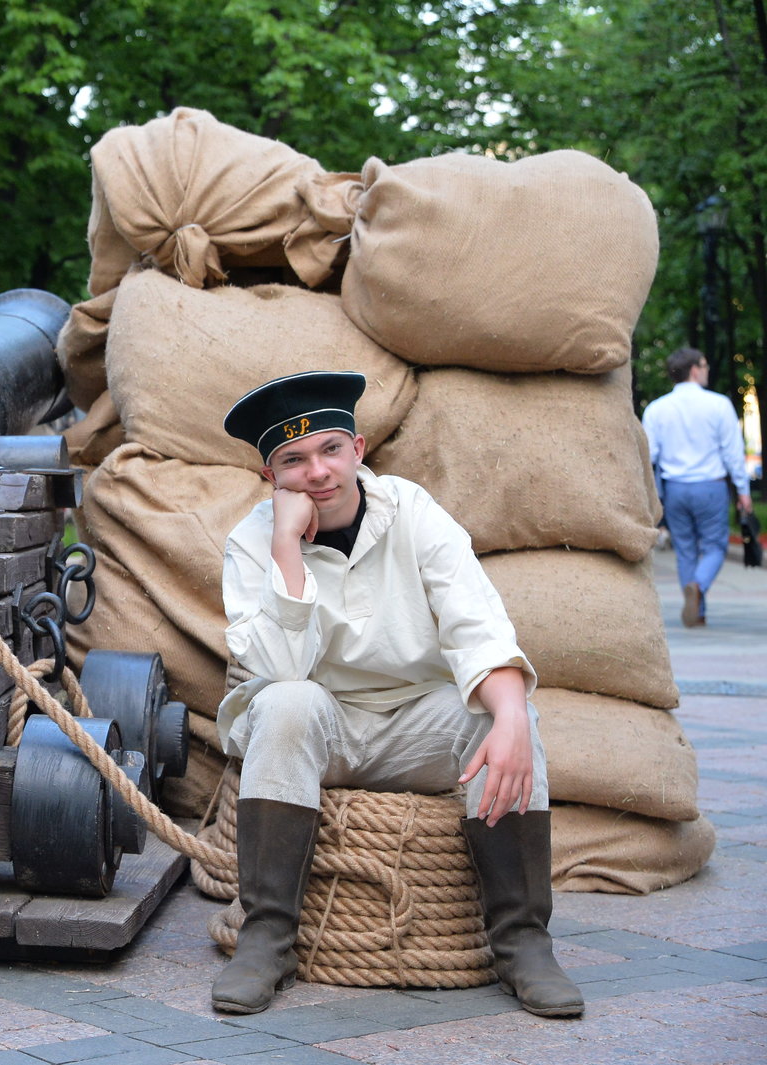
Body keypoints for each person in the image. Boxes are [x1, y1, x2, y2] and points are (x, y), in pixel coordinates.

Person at [211, 370, 582, 1019]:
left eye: (330, 449)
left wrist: (513, 712)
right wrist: (284, 549)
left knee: (498, 714)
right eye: (292, 460)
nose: (317, 471)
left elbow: (476, 624)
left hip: (415, 723)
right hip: (316, 726)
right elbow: (280, 667)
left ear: (358, 449)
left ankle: (524, 940)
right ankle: (267, 934)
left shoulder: (413, 512)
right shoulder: (251, 540)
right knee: (284, 701)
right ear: (270, 474)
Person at [641, 347, 753, 626]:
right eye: (704, 365)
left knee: (686, 549)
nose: (707, 370)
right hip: (710, 487)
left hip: (674, 489)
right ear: (694, 369)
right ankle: (699, 586)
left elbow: (648, 455)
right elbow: (732, 453)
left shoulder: (657, 408)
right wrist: (743, 491)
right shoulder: (718, 405)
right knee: (715, 547)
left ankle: (697, 611)